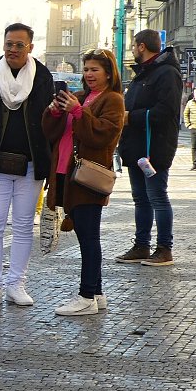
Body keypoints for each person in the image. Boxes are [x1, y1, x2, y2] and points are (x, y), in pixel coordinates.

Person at [0, 23, 54, 309]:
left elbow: (51, 124)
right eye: (9, 44)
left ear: (30, 46)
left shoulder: (42, 77)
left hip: (30, 164)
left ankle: (17, 283)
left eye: (19, 44)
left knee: (25, 225)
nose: (13, 49)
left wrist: (50, 164)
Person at [41, 50, 126, 316]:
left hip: (88, 177)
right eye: (86, 69)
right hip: (67, 173)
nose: (89, 74)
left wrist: (78, 112)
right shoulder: (79, 97)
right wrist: (54, 112)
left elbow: (104, 135)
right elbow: (52, 133)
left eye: (95, 70)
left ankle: (86, 294)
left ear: (109, 74)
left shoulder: (112, 99)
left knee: (89, 238)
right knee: (85, 235)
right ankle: (97, 293)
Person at [115, 29, 183, 267]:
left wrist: (130, 117)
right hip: (136, 147)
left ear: (142, 46)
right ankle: (142, 245)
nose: (133, 50)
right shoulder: (145, 73)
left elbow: (166, 111)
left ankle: (164, 248)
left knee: (157, 197)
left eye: (134, 46)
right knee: (140, 199)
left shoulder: (166, 73)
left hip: (154, 147)